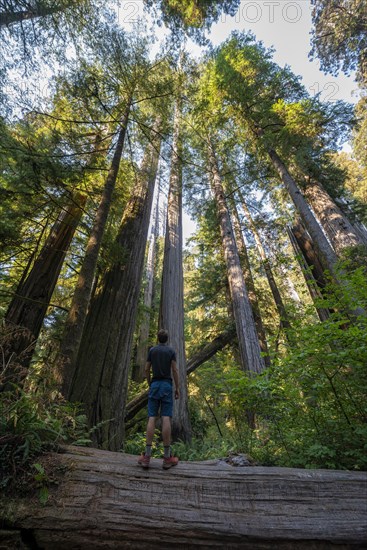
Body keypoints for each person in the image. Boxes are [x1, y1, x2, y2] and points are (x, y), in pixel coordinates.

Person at [138, 329, 180, 469]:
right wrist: (177, 388)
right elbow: (174, 370)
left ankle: (147, 457)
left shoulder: (152, 351)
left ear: (158, 338)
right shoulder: (171, 351)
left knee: (152, 417)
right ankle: (167, 458)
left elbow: (146, 369)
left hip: (155, 384)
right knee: (166, 417)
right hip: (167, 385)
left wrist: (150, 383)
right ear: (166, 339)